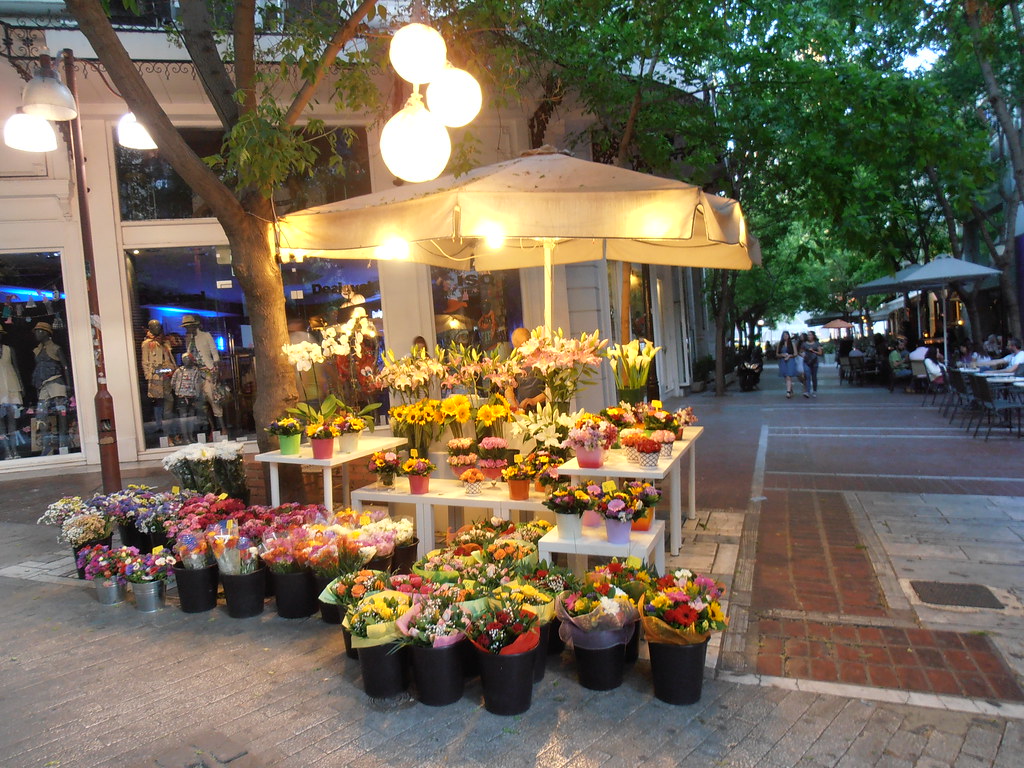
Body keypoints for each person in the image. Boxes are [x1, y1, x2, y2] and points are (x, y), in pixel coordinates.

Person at [181, 314, 226, 436]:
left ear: (194, 325)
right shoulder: (188, 339)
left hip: (208, 371)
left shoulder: (206, 336)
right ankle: (213, 429)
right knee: (202, 403)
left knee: (213, 399)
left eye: (189, 326)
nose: (188, 329)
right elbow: (188, 355)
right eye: (186, 327)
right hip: (196, 374)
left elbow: (214, 352)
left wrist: (216, 367)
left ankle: (223, 428)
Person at [31, 321, 70, 455]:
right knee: (41, 415)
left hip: (56, 383)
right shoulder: (37, 350)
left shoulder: (55, 348)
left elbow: (65, 367)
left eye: (39, 331)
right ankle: (46, 445)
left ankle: (64, 445)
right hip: (43, 385)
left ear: (46, 333)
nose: (36, 334)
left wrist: (69, 385)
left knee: (61, 414)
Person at [141, 319, 176, 433]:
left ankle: (168, 423)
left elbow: (169, 357)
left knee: (168, 398)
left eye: (158, 326)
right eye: (154, 326)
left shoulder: (165, 342)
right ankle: (159, 424)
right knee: (157, 400)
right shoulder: (147, 344)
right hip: (155, 375)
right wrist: (148, 375)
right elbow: (145, 360)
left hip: (166, 373)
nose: (156, 328)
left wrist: (173, 369)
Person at [505, 327, 547, 411]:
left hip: (543, 410)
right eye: (520, 349)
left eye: (525, 347)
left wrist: (533, 401)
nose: (524, 352)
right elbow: (508, 390)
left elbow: (550, 389)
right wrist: (515, 406)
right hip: (522, 411)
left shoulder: (543, 359)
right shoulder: (513, 362)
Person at [0, 325, 23, 460]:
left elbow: (16, 368)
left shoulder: (9, 349)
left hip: (11, 385)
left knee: (12, 419)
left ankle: (14, 450)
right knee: (1, 422)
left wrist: (21, 386)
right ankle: (7, 451)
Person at [170, 352, 203, 444]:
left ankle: (191, 436)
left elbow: (199, 383)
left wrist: (197, 393)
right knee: (183, 418)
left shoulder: (196, 371)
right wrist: (179, 391)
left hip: (192, 396)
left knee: (191, 418)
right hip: (182, 397)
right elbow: (173, 383)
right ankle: (185, 437)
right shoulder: (179, 371)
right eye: (185, 359)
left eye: (188, 359)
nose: (187, 361)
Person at [776, 331, 798, 399]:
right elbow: (777, 354)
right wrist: (782, 355)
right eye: (784, 335)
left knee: (789, 376)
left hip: (790, 361)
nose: (785, 336)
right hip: (782, 361)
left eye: (786, 335)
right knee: (785, 376)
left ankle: (788, 392)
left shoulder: (792, 344)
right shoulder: (780, 344)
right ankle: (790, 389)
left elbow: (795, 354)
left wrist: (789, 356)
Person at [801, 330, 822, 398]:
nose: (809, 336)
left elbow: (820, 353)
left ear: (813, 336)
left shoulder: (816, 343)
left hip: (814, 362)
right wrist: (802, 354)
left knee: (814, 376)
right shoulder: (804, 344)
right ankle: (807, 391)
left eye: (810, 335)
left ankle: (814, 390)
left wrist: (813, 351)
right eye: (808, 335)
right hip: (806, 361)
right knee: (807, 376)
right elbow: (800, 351)